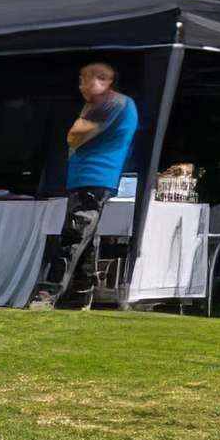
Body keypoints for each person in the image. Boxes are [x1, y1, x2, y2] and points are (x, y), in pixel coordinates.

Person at [32, 61, 139, 309]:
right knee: (84, 238)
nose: (81, 86)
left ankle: (47, 294)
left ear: (105, 81)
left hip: (95, 176)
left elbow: (74, 135)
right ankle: (81, 294)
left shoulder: (111, 102)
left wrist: (80, 130)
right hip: (87, 177)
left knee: (73, 235)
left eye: (86, 79)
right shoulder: (106, 104)